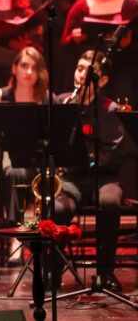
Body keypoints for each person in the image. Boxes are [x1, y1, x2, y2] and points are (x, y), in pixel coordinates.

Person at [55, 50, 124, 292]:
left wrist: (90, 159)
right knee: (56, 207)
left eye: (87, 70)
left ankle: (105, 272)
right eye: (79, 68)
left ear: (102, 81)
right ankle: (53, 270)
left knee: (109, 202)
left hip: (104, 177)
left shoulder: (110, 109)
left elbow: (114, 153)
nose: (80, 74)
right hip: (73, 177)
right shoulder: (61, 103)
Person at [0, 47, 49, 225]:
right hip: (5, 162)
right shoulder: (0, 96)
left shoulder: (47, 99)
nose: (29, 72)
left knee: (19, 172)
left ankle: (21, 231)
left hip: (38, 163)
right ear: (14, 68)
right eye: (24, 66)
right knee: (14, 172)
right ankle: (14, 231)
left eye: (35, 68)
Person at [61, 0, 138, 104]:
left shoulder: (132, 5)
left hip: (122, 70)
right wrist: (74, 38)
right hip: (89, 75)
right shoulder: (80, 7)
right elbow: (64, 43)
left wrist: (128, 44)